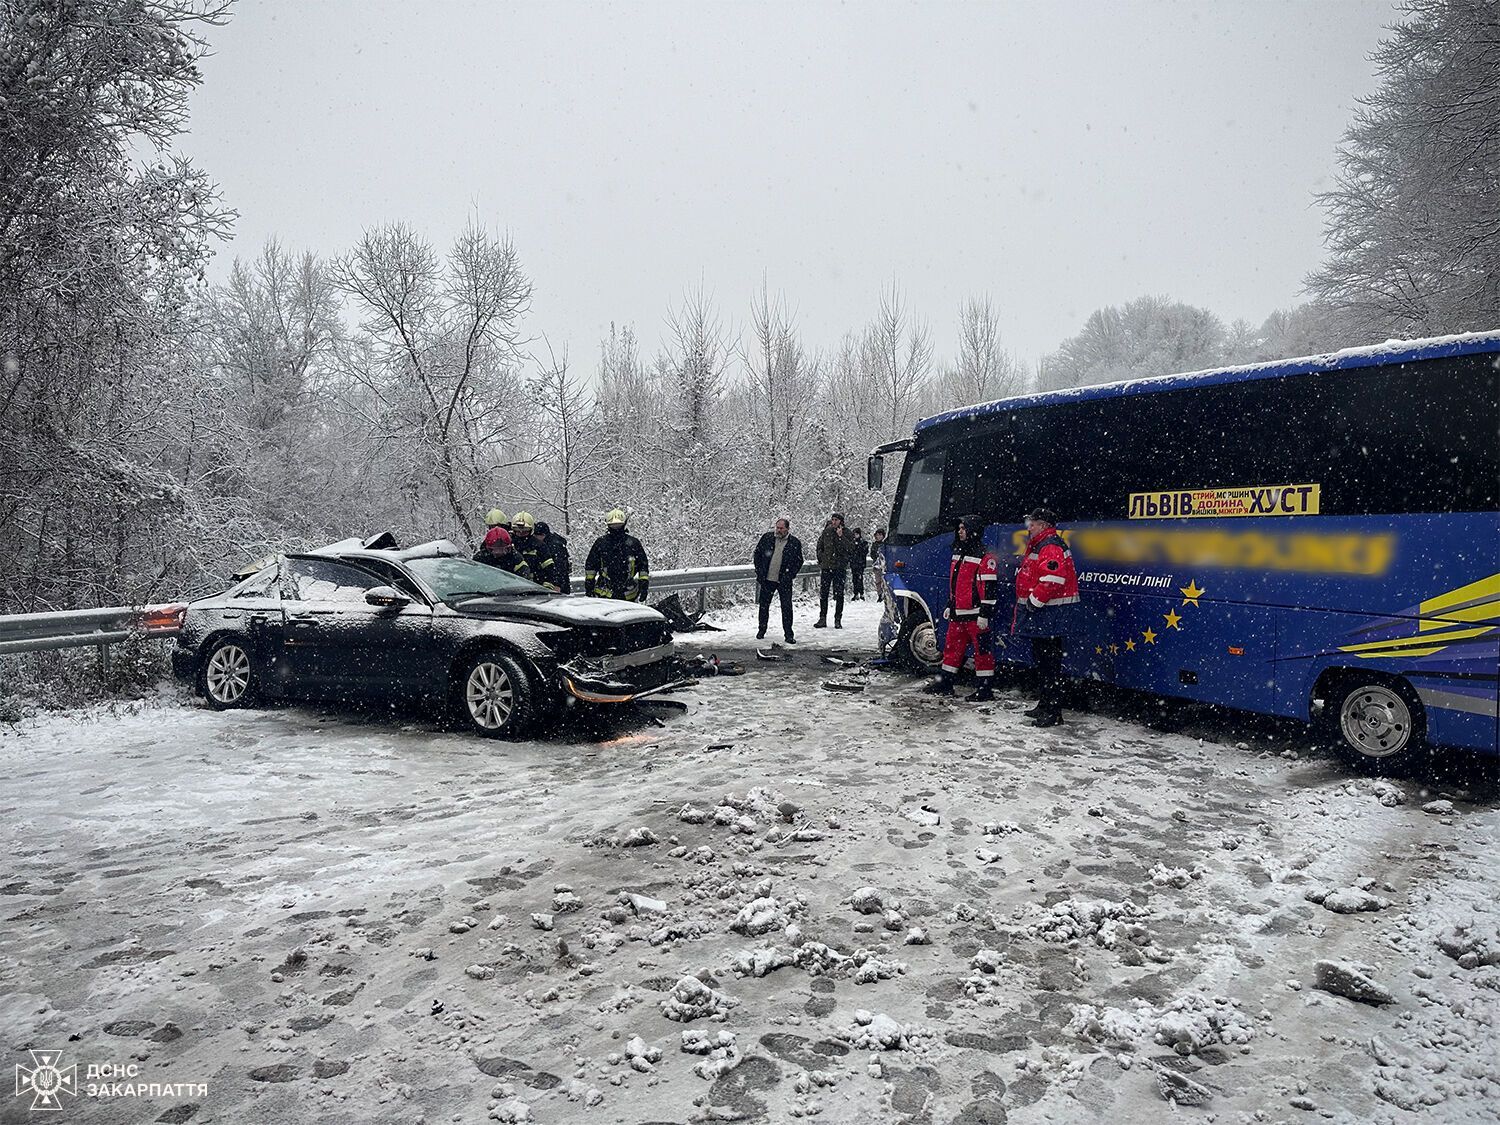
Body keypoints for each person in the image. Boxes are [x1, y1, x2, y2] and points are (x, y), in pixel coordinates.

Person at [1013, 508, 1080, 727]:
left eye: (1032, 523)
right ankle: (1045, 705)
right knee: (1043, 663)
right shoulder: (1043, 543)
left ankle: (1053, 712)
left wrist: (1034, 600)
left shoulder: (1050, 545)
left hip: (1049, 614)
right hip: (1046, 615)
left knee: (1049, 664)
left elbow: (1052, 579)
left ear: (1043, 525)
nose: (1029, 527)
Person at [923, 515, 998, 700]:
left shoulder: (984, 556)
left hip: (975, 616)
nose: (960, 531)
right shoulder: (958, 552)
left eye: (963, 528)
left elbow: (989, 588)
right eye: (960, 528)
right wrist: (951, 604)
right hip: (958, 614)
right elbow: (956, 583)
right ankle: (945, 683)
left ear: (973, 530)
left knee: (982, 653)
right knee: (951, 650)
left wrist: (984, 613)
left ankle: (985, 690)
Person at [752, 518, 804, 643]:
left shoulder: (794, 543)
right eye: (777, 527)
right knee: (764, 606)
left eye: (781, 528)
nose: (778, 530)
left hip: (784, 581)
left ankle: (788, 634)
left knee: (786, 607)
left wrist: (790, 575)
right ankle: (761, 630)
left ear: (787, 529)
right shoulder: (767, 538)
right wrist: (759, 571)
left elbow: (799, 561)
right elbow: (757, 554)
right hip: (767, 579)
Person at [585, 508, 651, 601]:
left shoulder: (633, 543)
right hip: (605, 594)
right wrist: (589, 586)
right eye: (613, 525)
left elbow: (643, 566)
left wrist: (644, 585)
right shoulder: (601, 543)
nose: (616, 527)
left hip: (628, 593)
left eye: (618, 525)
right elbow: (590, 567)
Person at [813, 512, 849, 629]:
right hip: (827, 567)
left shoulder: (847, 533)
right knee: (824, 593)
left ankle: (838, 619)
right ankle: (822, 618)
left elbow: (850, 548)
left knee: (839, 594)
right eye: (832, 520)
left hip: (839, 568)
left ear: (841, 522)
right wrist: (821, 558)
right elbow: (820, 546)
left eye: (836, 520)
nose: (834, 522)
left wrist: (840, 537)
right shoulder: (826, 532)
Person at [510, 512, 560, 592]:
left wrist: (550, 584)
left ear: (531, 530)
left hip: (536, 588)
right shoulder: (508, 544)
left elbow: (549, 568)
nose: (521, 533)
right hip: (511, 588)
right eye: (517, 530)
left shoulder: (539, 546)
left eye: (525, 531)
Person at [534, 521, 571, 593]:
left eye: (536, 536)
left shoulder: (555, 547)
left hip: (559, 585)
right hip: (557, 582)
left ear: (543, 535)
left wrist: (557, 584)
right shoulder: (551, 543)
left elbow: (560, 567)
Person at [848, 527, 868, 600]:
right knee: (854, 579)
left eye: (857, 534)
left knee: (860, 578)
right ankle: (856, 593)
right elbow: (850, 552)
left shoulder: (863, 543)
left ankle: (861, 593)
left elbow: (864, 552)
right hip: (854, 563)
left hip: (860, 564)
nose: (855, 535)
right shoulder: (851, 543)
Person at [870, 527, 888, 597]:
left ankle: (885, 594)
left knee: (884, 581)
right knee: (878, 581)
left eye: (880, 535)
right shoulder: (874, 545)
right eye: (877, 535)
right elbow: (872, 554)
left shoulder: (885, 544)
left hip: (884, 565)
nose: (878, 537)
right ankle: (880, 594)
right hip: (877, 565)